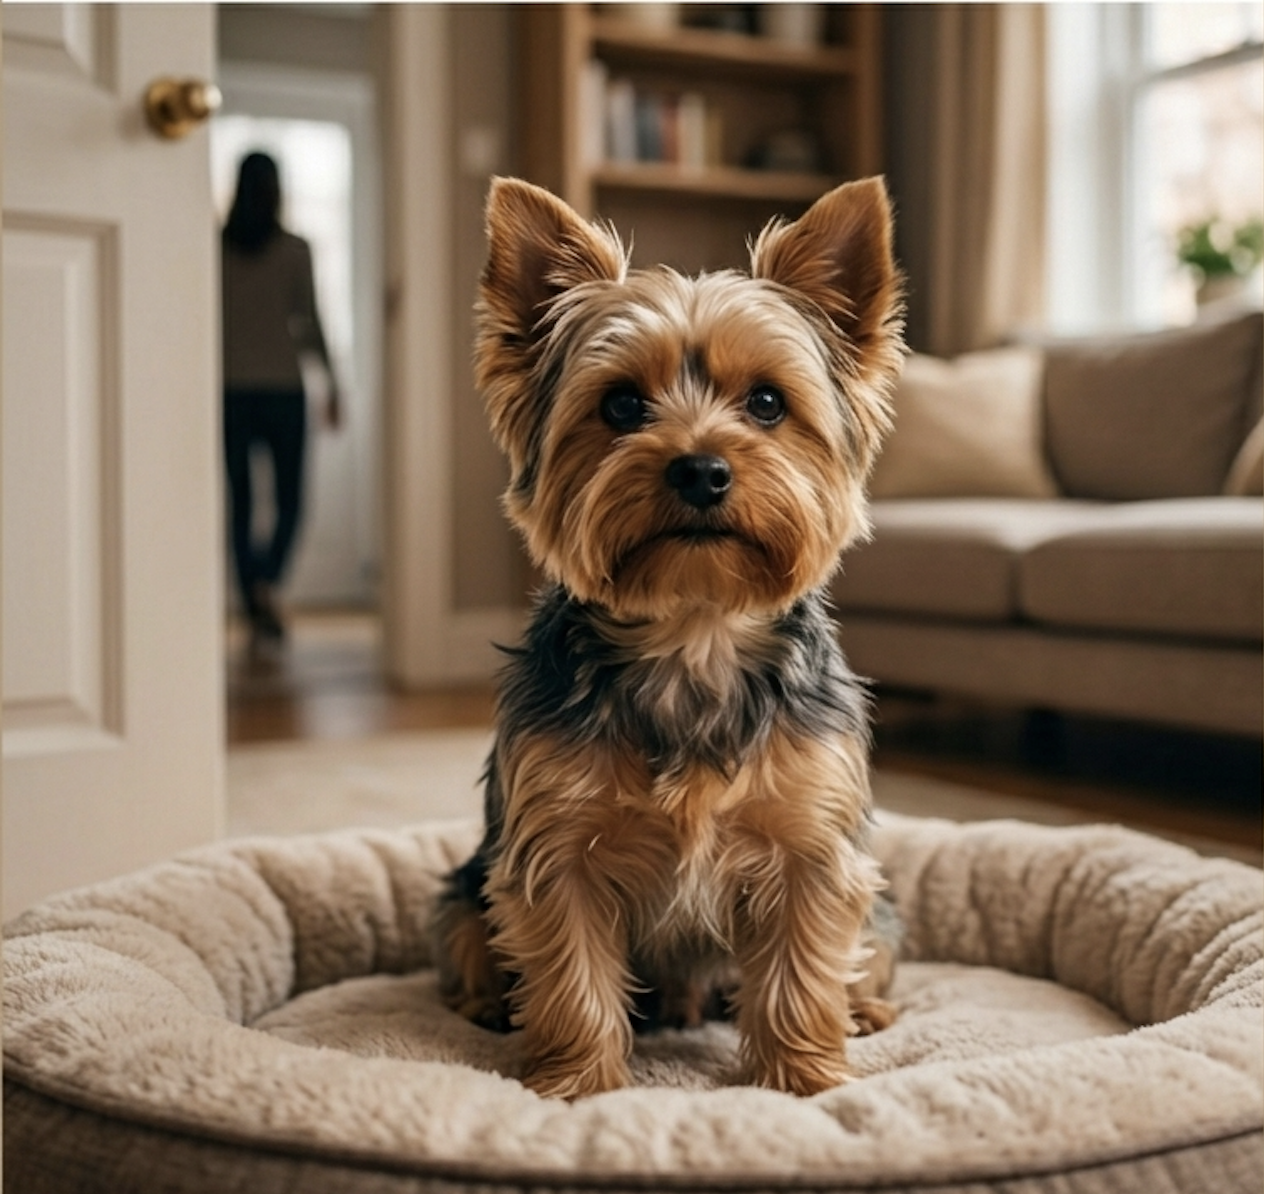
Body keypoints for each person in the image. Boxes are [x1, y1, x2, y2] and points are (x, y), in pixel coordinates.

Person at [221, 151, 341, 652]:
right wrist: (332, 382)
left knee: (242, 503)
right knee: (291, 500)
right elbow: (309, 321)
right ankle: (266, 585)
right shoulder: (295, 249)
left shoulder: (215, 246)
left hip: (231, 391)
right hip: (282, 391)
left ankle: (254, 593)